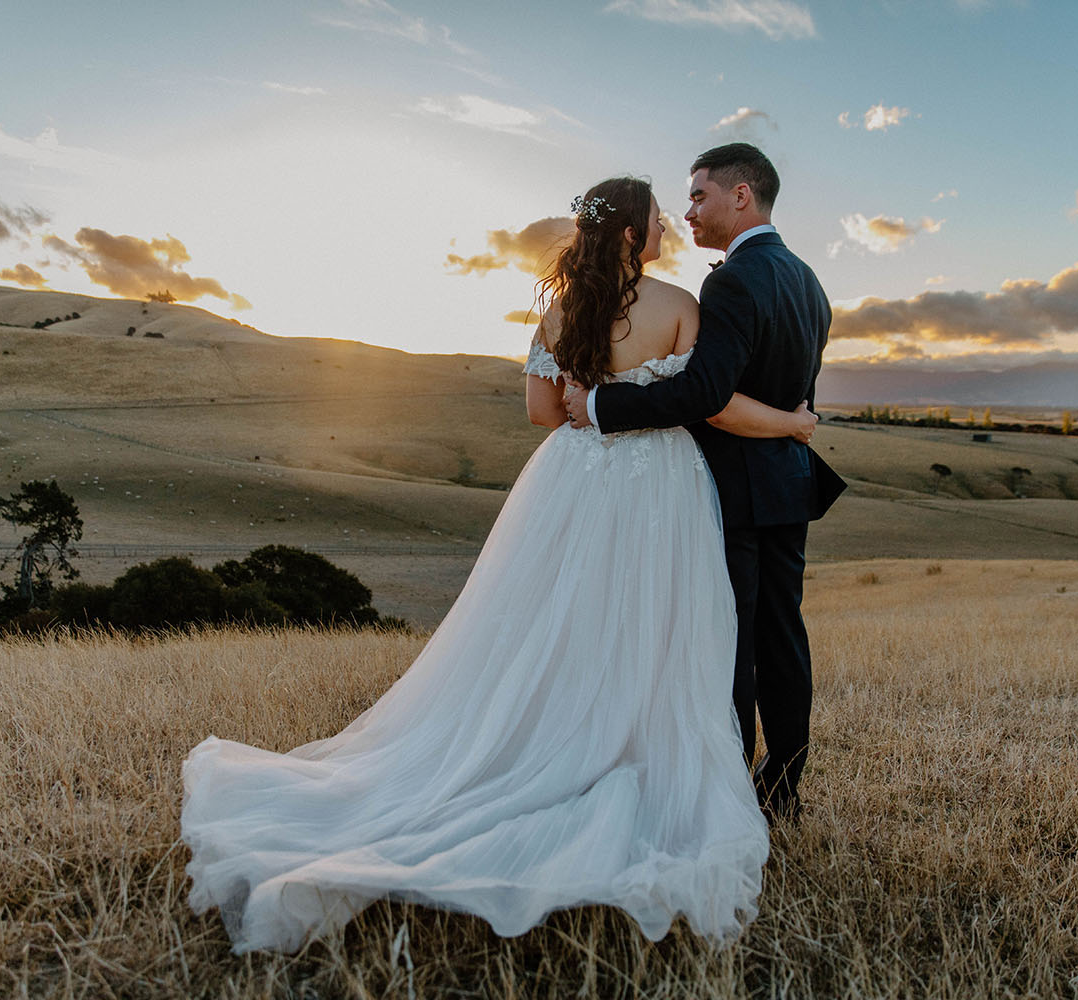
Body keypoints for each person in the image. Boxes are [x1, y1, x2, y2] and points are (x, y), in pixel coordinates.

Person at [180, 175, 816, 954]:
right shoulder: (681, 304)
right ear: (627, 235)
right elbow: (704, 403)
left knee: (554, 621)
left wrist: (594, 408)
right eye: (655, 220)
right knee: (654, 622)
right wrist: (791, 421)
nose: (666, 231)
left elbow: (541, 414)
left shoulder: (557, 312)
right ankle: (628, 749)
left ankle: (550, 742)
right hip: (662, 486)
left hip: (572, 480)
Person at [565, 144, 844, 824]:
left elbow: (709, 396)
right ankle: (782, 787)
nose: (688, 211)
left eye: (698, 196)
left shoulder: (731, 282)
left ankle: (724, 791)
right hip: (787, 481)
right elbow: (795, 390)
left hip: (735, 486)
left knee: (732, 641)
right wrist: (792, 425)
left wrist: (603, 407)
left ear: (740, 196)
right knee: (783, 634)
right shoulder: (808, 281)